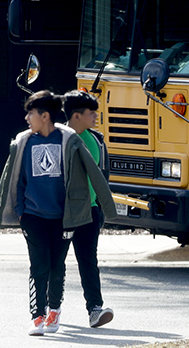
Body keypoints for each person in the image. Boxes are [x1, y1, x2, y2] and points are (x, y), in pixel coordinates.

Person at [0, 90, 117, 336]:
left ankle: (55, 311)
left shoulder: (70, 141)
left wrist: (102, 209)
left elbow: (93, 176)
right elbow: (17, 178)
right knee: (38, 265)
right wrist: (20, 212)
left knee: (56, 265)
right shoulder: (24, 142)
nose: (27, 118)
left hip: (63, 217)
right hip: (32, 216)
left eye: (31, 113)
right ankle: (37, 316)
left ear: (45, 116)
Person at [62, 90, 115, 328]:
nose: (96, 116)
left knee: (87, 261)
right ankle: (51, 307)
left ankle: (95, 309)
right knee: (55, 262)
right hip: (62, 212)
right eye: (91, 113)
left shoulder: (94, 140)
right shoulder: (58, 138)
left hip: (90, 212)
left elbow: (99, 178)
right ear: (76, 116)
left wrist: (100, 210)